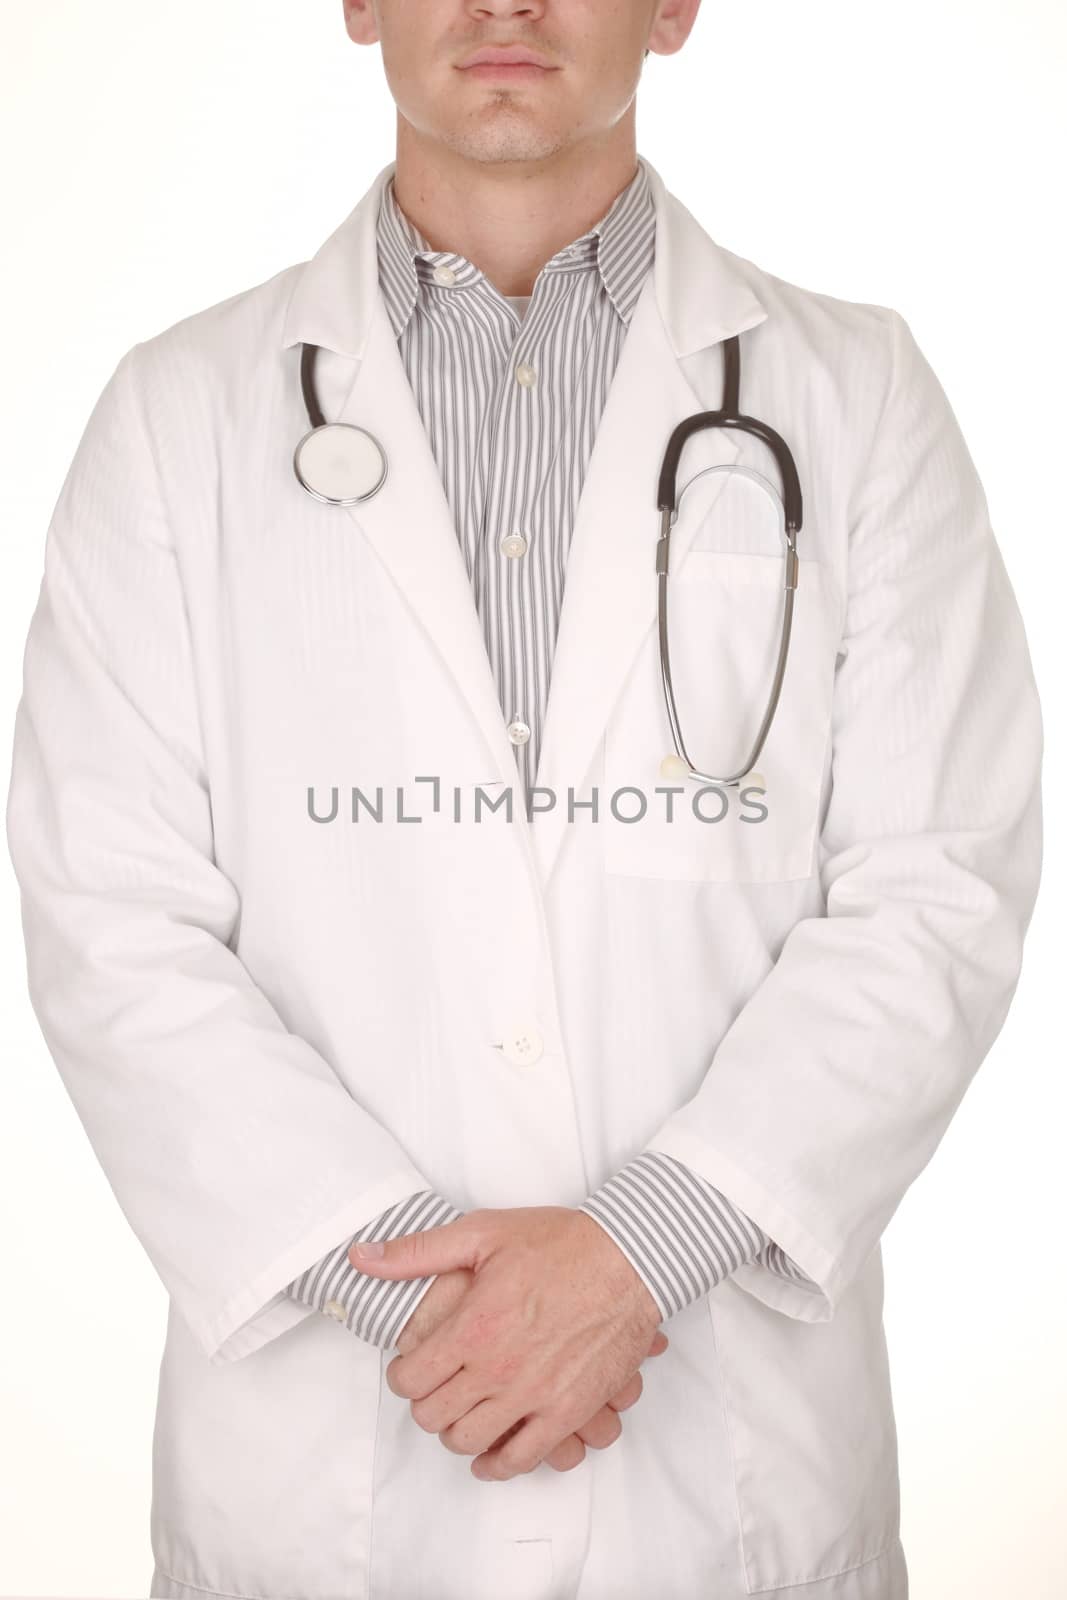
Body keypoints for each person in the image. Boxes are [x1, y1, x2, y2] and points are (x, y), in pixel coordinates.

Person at [5, 1, 1043, 1597]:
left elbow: (938, 887)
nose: (505, 4)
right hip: (327, 1482)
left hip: (725, 1484)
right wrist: (431, 1307)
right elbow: (112, 921)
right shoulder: (180, 419)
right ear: (357, 2)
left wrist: (643, 1252)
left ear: (678, 5)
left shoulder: (859, 400)